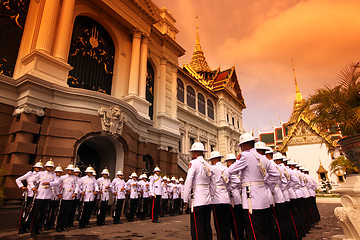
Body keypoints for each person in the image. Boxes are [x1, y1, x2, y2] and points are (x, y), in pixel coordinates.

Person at [227, 132, 280, 240]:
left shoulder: (245, 155)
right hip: (263, 198)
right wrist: (265, 184)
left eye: (241, 146)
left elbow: (231, 170)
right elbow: (276, 174)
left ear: (244, 145)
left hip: (251, 198)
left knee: (253, 231)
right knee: (264, 229)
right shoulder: (263, 158)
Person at [183, 142, 214, 240]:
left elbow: (189, 180)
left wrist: (185, 199)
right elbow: (213, 183)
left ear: (195, 153)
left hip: (198, 200)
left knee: (197, 228)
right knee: (206, 226)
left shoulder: (194, 163)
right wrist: (211, 196)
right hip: (208, 199)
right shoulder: (208, 165)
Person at [28, 159, 57, 236]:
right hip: (39, 195)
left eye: (51, 167)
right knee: (36, 213)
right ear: (46, 167)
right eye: (48, 166)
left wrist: (49, 183)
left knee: (43, 214)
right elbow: (30, 180)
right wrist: (33, 187)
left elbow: (57, 182)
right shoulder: (40, 174)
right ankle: (33, 229)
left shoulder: (54, 175)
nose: (50, 168)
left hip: (48, 196)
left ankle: (39, 228)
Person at [16, 160, 43, 234]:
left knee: (32, 212)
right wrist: (22, 187)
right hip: (28, 194)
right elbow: (18, 179)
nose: (39, 169)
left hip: (35, 195)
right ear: (35, 167)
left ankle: (27, 227)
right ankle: (21, 228)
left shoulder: (41, 175)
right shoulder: (29, 174)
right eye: (38, 167)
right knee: (24, 211)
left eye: (40, 168)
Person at [209, 150, 232, 240]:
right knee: (226, 222)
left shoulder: (212, 168)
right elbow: (231, 183)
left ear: (213, 160)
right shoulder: (226, 169)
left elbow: (211, 183)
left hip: (217, 198)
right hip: (226, 198)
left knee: (219, 223)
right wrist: (227, 190)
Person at [50, 163, 77, 232]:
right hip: (64, 196)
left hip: (71, 196)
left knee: (68, 212)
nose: (71, 171)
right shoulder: (63, 177)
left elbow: (77, 186)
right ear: (67, 170)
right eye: (70, 170)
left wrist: (75, 193)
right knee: (61, 212)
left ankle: (64, 226)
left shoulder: (75, 178)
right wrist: (58, 193)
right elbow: (56, 184)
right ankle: (59, 226)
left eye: (72, 170)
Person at [224, 153, 245, 240]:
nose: (228, 163)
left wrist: (228, 188)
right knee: (238, 218)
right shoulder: (237, 171)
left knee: (235, 219)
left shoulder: (232, 171)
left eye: (228, 161)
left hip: (234, 197)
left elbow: (237, 182)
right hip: (238, 196)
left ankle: (238, 235)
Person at [45, 164, 62, 231]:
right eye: (57, 171)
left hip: (57, 198)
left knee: (54, 212)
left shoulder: (61, 179)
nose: (59, 173)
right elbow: (54, 186)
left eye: (60, 172)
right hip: (51, 196)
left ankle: (52, 224)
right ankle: (46, 225)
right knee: (48, 211)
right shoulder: (53, 177)